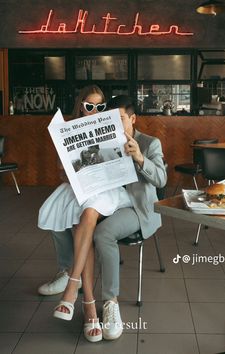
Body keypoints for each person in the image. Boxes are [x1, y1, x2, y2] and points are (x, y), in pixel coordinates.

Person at [38, 94, 167, 341]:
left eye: (120, 120)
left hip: (137, 208)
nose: (116, 126)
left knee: (102, 233)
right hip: (109, 201)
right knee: (72, 217)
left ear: (133, 118)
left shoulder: (150, 143)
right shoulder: (106, 139)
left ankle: (110, 303)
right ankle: (71, 278)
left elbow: (162, 180)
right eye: (111, 121)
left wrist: (139, 157)